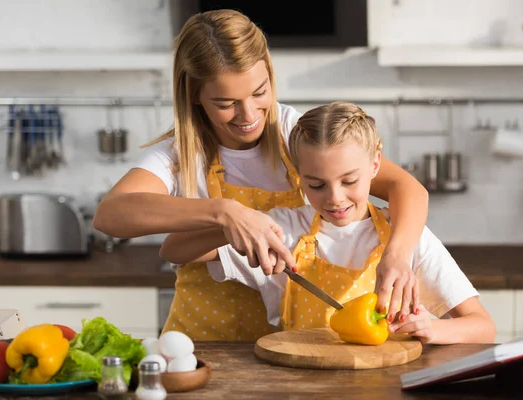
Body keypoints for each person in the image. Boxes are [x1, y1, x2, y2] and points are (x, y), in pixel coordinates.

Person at [93, 9, 429, 341]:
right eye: (226, 102)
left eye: (259, 92)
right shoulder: (181, 153)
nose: (249, 114)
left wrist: (397, 256)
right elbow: (110, 215)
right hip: (202, 345)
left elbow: (406, 187)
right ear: (193, 96)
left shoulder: (291, 133)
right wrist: (224, 212)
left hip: (285, 347)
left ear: (269, 74)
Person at [160, 102, 496, 344]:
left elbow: (483, 327)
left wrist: (434, 329)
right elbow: (176, 250)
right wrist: (230, 221)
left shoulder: (407, 238)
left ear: (376, 164)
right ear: (299, 176)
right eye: (316, 185)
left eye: (349, 181)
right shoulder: (284, 230)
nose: (334, 198)